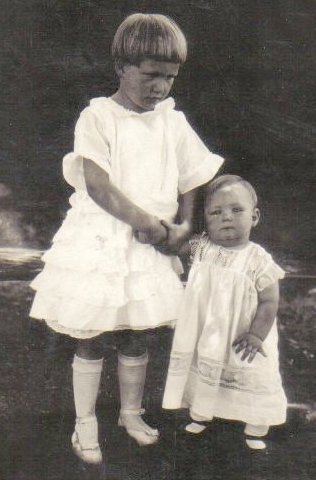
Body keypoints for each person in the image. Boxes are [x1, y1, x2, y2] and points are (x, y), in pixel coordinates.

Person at [29, 13, 224, 464]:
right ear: (122, 66)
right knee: (93, 333)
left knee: (139, 331)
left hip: (151, 245)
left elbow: (193, 175)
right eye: (151, 75)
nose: (160, 87)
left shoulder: (171, 121)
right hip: (102, 239)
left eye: (169, 78)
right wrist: (147, 222)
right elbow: (97, 185)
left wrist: (181, 227)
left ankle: (130, 413)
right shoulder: (98, 117)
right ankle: (85, 421)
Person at [163, 174, 287, 450]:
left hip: (244, 335)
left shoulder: (258, 260)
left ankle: (256, 423)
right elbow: (171, 245)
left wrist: (256, 335)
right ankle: (202, 411)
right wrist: (154, 234)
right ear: (206, 220)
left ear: (254, 217)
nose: (226, 217)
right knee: (205, 365)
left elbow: (269, 302)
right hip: (208, 330)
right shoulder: (201, 247)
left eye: (236, 210)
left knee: (248, 369)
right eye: (216, 212)